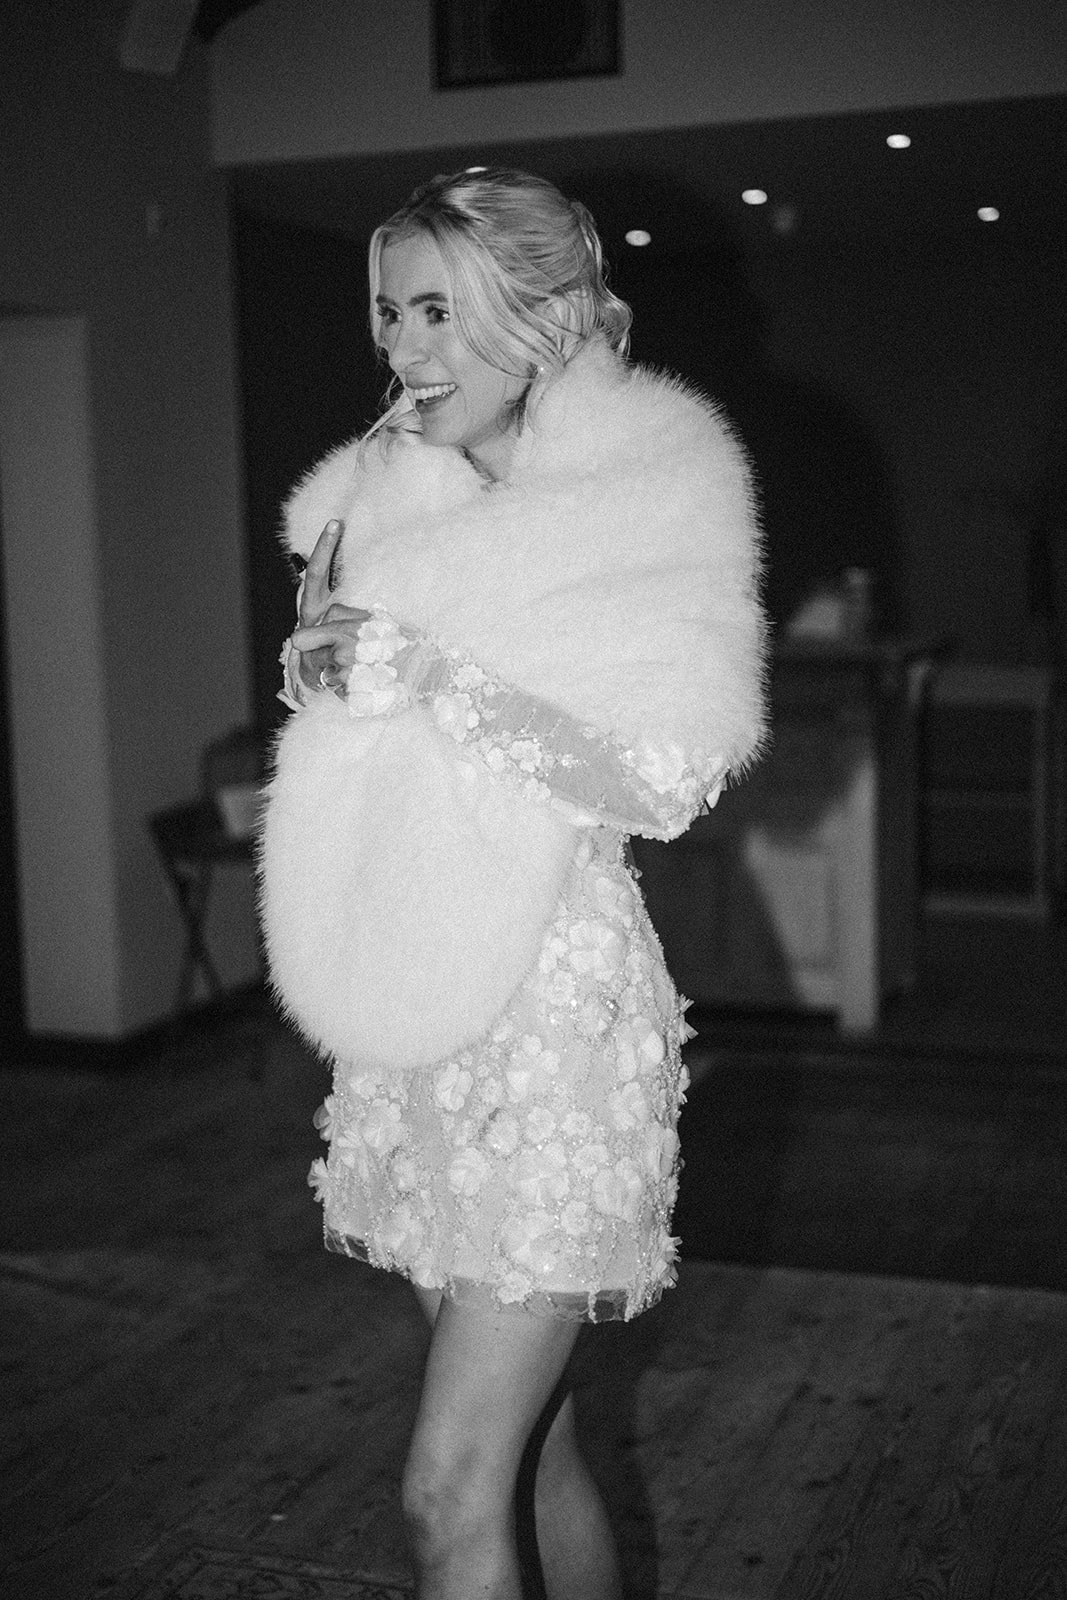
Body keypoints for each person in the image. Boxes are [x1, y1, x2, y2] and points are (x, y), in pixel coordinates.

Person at [259, 167, 767, 1599]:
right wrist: (340, 682)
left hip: (554, 1026)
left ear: (540, 316)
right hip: (413, 1017)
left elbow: (667, 779)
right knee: (530, 1458)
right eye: (388, 312)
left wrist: (438, 679)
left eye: (438, 310)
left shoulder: (651, 484)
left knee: (446, 1489)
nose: (405, 349)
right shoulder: (382, 493)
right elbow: (376, 739)